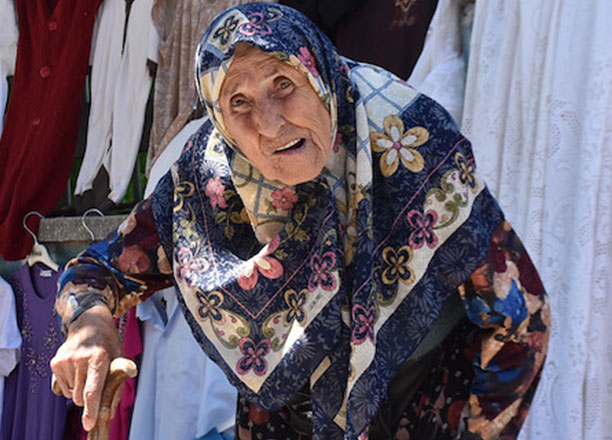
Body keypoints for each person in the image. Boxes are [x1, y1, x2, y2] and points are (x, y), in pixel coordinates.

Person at [50, 3, 550, 439]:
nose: (269, 124)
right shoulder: (204, 180)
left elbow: (522, 314)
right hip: (285, 421)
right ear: (221, 122)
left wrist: (476, 430)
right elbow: (97, 272)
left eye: (283, 84)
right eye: (239, 103)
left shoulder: (409, 142)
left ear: (319, 76)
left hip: (421, 405)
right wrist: (89, 323)